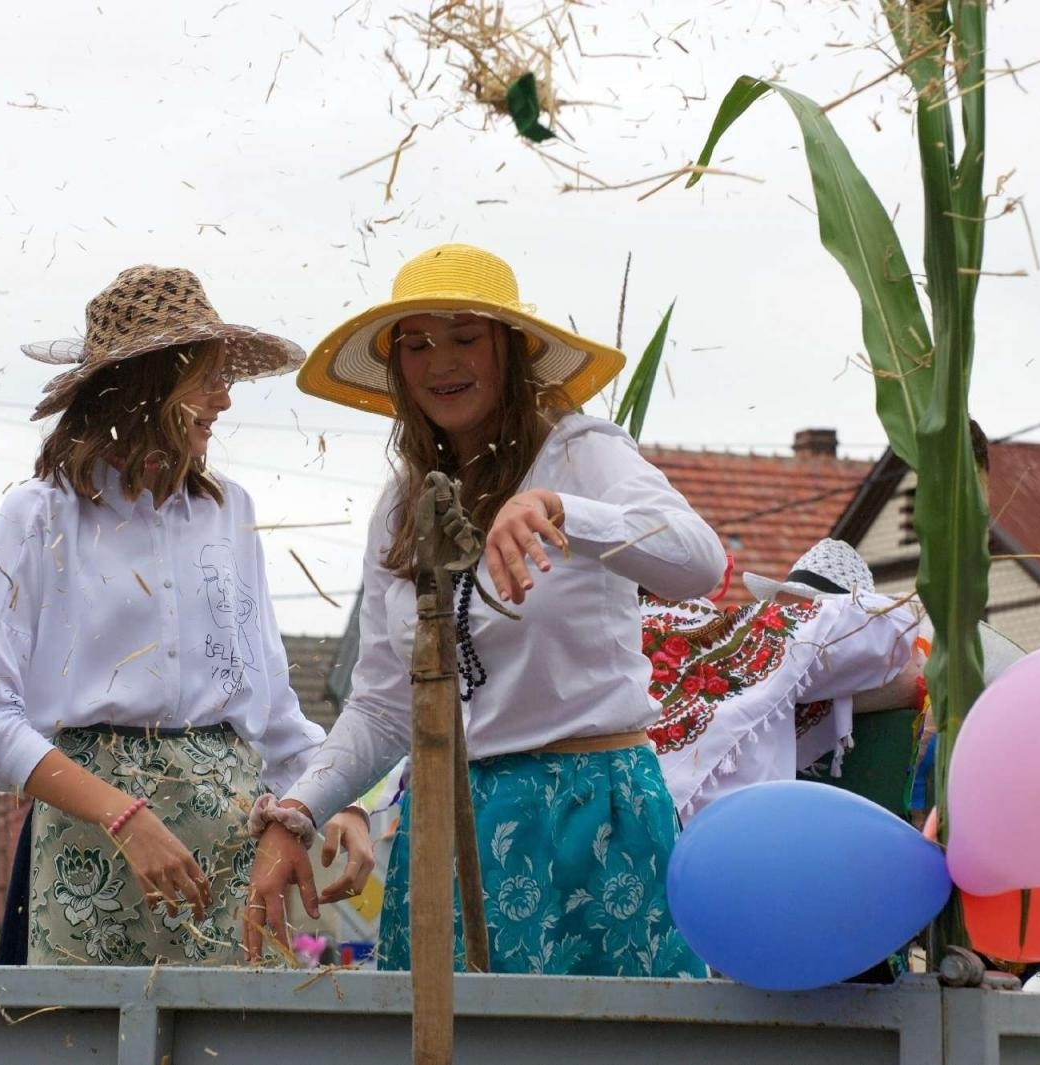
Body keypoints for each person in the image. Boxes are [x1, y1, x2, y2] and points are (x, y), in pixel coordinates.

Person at [245, 243, 726, 977]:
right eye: (419, 343)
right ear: (399, 368)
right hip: (446, 827)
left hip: (591, 818)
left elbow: (700, 562)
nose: (443, 361)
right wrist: (297, 812)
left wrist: (562, 510)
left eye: (466, 337)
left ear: (512, 349)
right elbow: (382, 705)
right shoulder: (403, 506)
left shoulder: (579, 452)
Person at [0, 264, 372, 967]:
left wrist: (337, 799)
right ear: (145, 385)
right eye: (206, 377)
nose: (225, 400)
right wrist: (123, 813)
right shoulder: (41, 515)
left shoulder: (228, 512)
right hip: (92, 844)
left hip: (230, 848)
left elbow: (268, 704)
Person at [645, 539, 922, 821]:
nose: (791, 616)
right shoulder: (756, 641)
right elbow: (895, 632)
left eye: (804, 612)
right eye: (790, 610)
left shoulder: (738, 640)